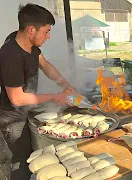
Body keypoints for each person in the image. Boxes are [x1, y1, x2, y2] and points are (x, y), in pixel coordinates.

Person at [0, 4, 76, 180]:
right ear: (31, 30)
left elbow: (45, 65)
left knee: (30, 158)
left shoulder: (27, 44)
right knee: (17, 164)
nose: (48, 37)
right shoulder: (10, 55)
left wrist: (65, 85)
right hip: (11, 122)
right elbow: (17, 98)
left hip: (25, 113)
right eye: (46, 31)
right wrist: (56, 96)